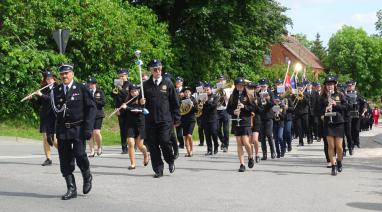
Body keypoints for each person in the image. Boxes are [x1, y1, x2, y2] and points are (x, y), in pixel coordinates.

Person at [51, 64, 96, 199]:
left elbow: (91, 108)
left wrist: (88, 128)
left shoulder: (81, 88)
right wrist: (50, 131)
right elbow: (53, 113)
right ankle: (71, 188)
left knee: (80, 154)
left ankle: (87, 175)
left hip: (78, 128)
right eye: (62, 74)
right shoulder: (57, 90)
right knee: (65, 160)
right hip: (62, 129)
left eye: (67, 73)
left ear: (72, 74)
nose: (64, 76)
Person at [139, 59, 180, 178]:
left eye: (159, 69)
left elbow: (174, 102)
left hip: (165, 120)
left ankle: (170, 160)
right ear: (151, 70)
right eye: (155, 69)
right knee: (153, 146)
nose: (158, 71)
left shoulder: (168, 83)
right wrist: (141, 102)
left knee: (165, 141)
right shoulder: (145, 85)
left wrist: (176, 118)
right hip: (150, 120)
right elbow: (141, 104)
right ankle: (158, 169)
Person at [318, 75, 347, 176]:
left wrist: (336, 104)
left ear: (335, 85)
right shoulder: (322, 97)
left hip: (338, 122)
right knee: (331, 146)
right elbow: (318, 110)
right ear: (325, 86)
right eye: (327, 85)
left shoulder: (340, 94)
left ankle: (339, 161)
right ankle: (333, 166)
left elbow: (346, 107)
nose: (329, 86)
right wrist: (324, 111)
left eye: (331, 84)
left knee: (339, 147)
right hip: (328, 123)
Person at [227, 77, 256, 172]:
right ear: (235, 86)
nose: (240, 87)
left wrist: (244, 107)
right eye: (238, 86)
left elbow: (253, 108)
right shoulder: (232, 96)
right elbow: (228, 109)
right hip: (236, 120)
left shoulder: (248, 95)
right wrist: (233, 112)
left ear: (244, 86)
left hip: (245, 120)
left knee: (246, 142)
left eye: (241, 86)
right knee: (239, 143)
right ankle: (242, 164)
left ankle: (251, 157)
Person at [33, 70, 58, 166]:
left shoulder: (57, 88)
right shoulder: (43, 89)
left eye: (51, 78)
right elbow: (39, 104)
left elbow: (52, 99)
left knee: (53, 139)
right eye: (47, 79)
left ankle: (66, 154)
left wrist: (41, 95)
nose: (49, 80)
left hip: (54, 116)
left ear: (54, 79)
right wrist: (33, 99)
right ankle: (48, 159)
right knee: (44, 138)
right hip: (44, 116)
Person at [122, 84, 149, 169]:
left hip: (140, 124)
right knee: (130, 142)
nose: (134, 93)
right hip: (130, 124)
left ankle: (145, 155)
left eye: (136, 91)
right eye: (132, 91)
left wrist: (127, 108)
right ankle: (133, 164)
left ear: (139, 91)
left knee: (140, 145)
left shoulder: (142, 99)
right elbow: (125, 112)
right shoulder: (128, 100)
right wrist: (120, 110)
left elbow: (138, 110)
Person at [112, 68, 131, 154]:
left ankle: (132, 144)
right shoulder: (117, 85)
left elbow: (127, 96)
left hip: (128, 109)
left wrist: (120, 89)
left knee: (129, 128)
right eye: (119, 76)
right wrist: (116, 108)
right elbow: (115, 97)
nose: (121, 78)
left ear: (126, 75)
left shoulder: (129, 85)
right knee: (122, 129)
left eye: (122, 76)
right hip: (120, 109)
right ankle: (124, 147)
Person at [87, 77, 105, 157]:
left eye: (92, 84)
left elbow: (103, 103)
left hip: (98, 114)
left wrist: (94, 100)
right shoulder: (87, 92)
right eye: (89, 84)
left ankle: (99, 147)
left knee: (96, 132)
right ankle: (92, 150)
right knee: (89, 133)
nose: (90, 85)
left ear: (95, 84)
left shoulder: (99, 92)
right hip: (89, 114)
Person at [257, 79, 275, 160]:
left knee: (269, 134)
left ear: (267, 86)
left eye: (264, 86)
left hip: (268, 117)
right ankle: (264, 154)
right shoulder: (257, 93)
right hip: (261, 117)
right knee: (262, 136)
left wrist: (268, 99)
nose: (263, 87)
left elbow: (272, 104)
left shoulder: (270, 93)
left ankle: (273, 152)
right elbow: (256, 104)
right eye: (262, 86)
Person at [201, 83, 220, 155]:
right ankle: (209, 149)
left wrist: (207, 101)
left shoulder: (215, 96)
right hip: (205, 118)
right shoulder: (202, 97)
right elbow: (199, 107)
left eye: (207, 90)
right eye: (205, 90)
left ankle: (216, 146)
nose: (206, 91)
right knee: (207, 134)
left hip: (213, 118)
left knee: (214, 133)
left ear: (211, 89)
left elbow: (214, 105)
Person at [247, 82, 263, 163]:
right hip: (248, 121)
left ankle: (257, 154)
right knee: (249, 141)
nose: (250, 90)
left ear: (254, 89)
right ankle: (251, 156)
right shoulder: (245, 98)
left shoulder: (258, 98)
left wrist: (256, 104)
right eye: (249, 88)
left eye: (251, 89)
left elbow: (261, 110)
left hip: (256, 120)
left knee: (255, 140)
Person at [180, 86, 197, 157]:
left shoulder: (193, 99)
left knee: (189, 135)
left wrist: (193, 106)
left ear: (190, 93)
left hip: (191, 119)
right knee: (185, 137)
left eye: (188, 92)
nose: (187, 93)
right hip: (184, 119)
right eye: (185, 92)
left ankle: (191, 150)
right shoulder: (181, 99)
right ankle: (187, 152)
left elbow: (196, 110)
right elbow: (179, 109)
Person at [216, 75, 231, 152]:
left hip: (226, 110)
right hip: (217, 110)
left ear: (225, 81)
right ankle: (223, 141)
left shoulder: (228, 89)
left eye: (222, 80)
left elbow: (229, 98)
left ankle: (226, 146)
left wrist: (225, 95)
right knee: (217, 129)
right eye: (220, 79)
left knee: (226, 130)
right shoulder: (215, 89)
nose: (221, 81)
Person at [175, 76, 185, 149]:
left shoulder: (185, 90)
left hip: (185, 112)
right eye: (177, 81)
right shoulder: (174, 90)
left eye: (179, 81)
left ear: (182, 83)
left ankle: (186, 143)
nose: (178, 83)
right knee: (178, 130)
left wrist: (184, 95)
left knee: (185, 130)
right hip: (177, 112)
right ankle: (181, 143)